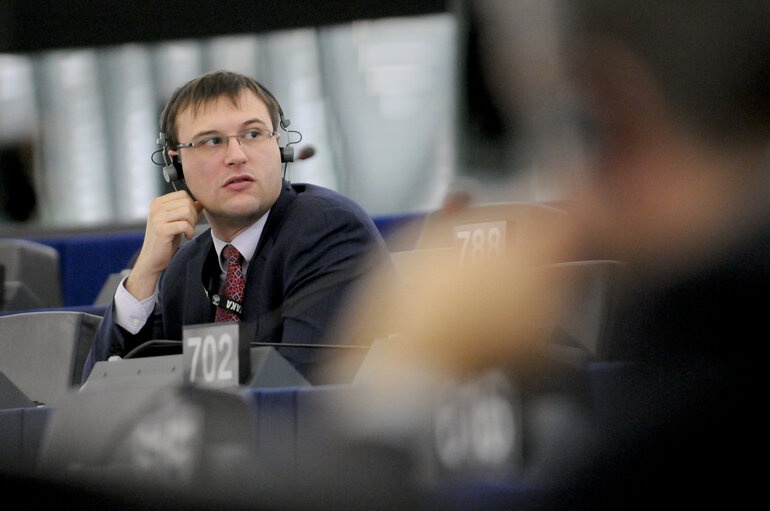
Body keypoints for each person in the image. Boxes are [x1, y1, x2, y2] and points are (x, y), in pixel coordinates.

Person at [322, 0, 770, 508]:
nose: (573, 205)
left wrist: (396, 390)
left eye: (568, 127)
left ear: (618, 113)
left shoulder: (700, 389)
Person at [82, 70, 390, 383]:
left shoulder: (328, 230)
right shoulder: (182, 270)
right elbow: (102, 392)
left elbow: (300, 391)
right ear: (175, 165)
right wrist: (144, 274)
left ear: (278, 146)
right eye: (211, 141)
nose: (237, 155)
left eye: (253, 134)